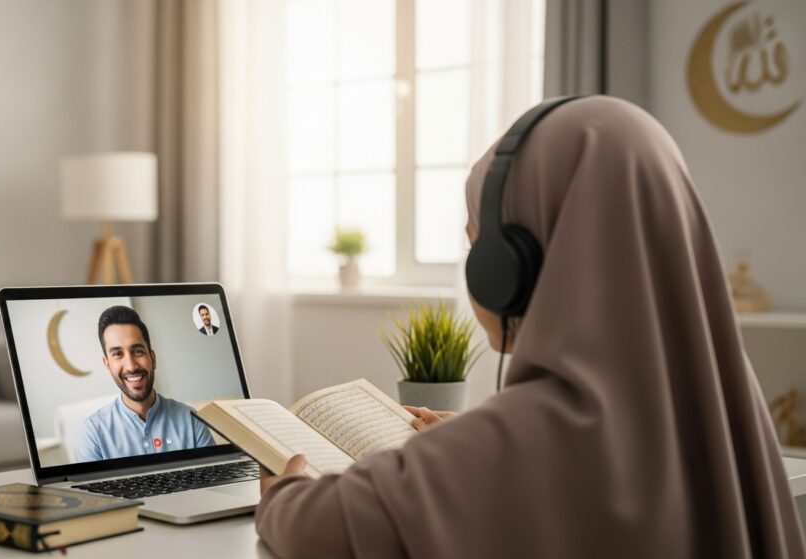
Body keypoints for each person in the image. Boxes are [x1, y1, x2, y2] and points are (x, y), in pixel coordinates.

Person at [255, 97, 806, 558]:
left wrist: (285, 493)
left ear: (509, 271)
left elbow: (320, 526)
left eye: (476, 246)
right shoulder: (730, 408)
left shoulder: (526, 439)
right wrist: (468, 438)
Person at [76, 305, 215, 462]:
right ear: (107, 365)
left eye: (138, 351)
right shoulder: (93, 433)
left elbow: (216, 482)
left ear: (153, 358)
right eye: (118, 354)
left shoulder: (192, 420)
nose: (131, 366)